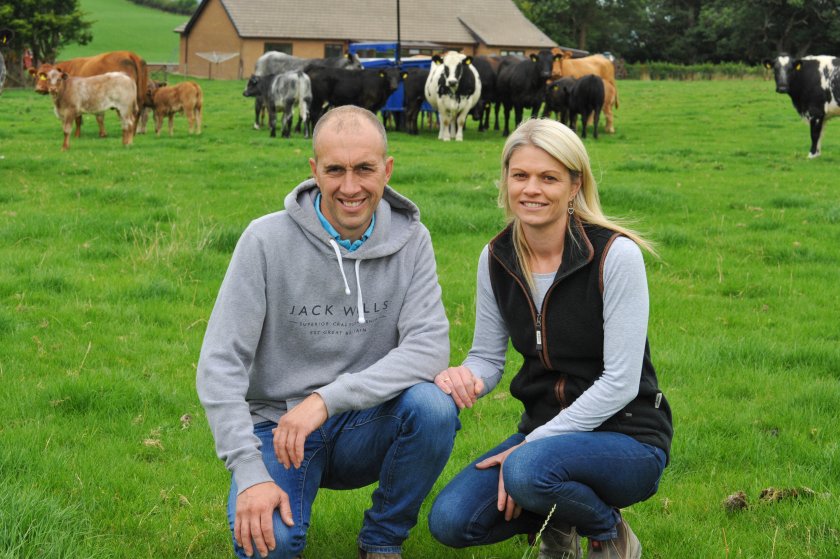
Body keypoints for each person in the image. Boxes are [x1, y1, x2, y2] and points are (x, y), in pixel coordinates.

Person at [197, 105, 458, 559]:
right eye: (335, 170)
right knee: (270, 547)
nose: (350, 186)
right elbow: (220, 363)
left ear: (387, 169)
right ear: (314, 170)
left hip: (365, 422)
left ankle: (381, 541)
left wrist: (325, 400)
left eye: (364, 169)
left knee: (434, 407)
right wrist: (250, 472)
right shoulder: (264, 241)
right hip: (277, 427)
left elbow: (429, 348)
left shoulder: (412, 240)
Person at [427, 118, 673, 559]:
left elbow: (620, 382)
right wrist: (463, 378)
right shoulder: (495, 257)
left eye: (548, 178)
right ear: (505, 180)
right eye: (520, 175)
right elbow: (486, 355)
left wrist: (532, 446)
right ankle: (559, 519)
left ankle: (606, 530)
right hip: (543, 437)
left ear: (574, 184)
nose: (531, 189)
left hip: (629, 438)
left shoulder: (615, 256)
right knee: (451, 520)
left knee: (526, 470)